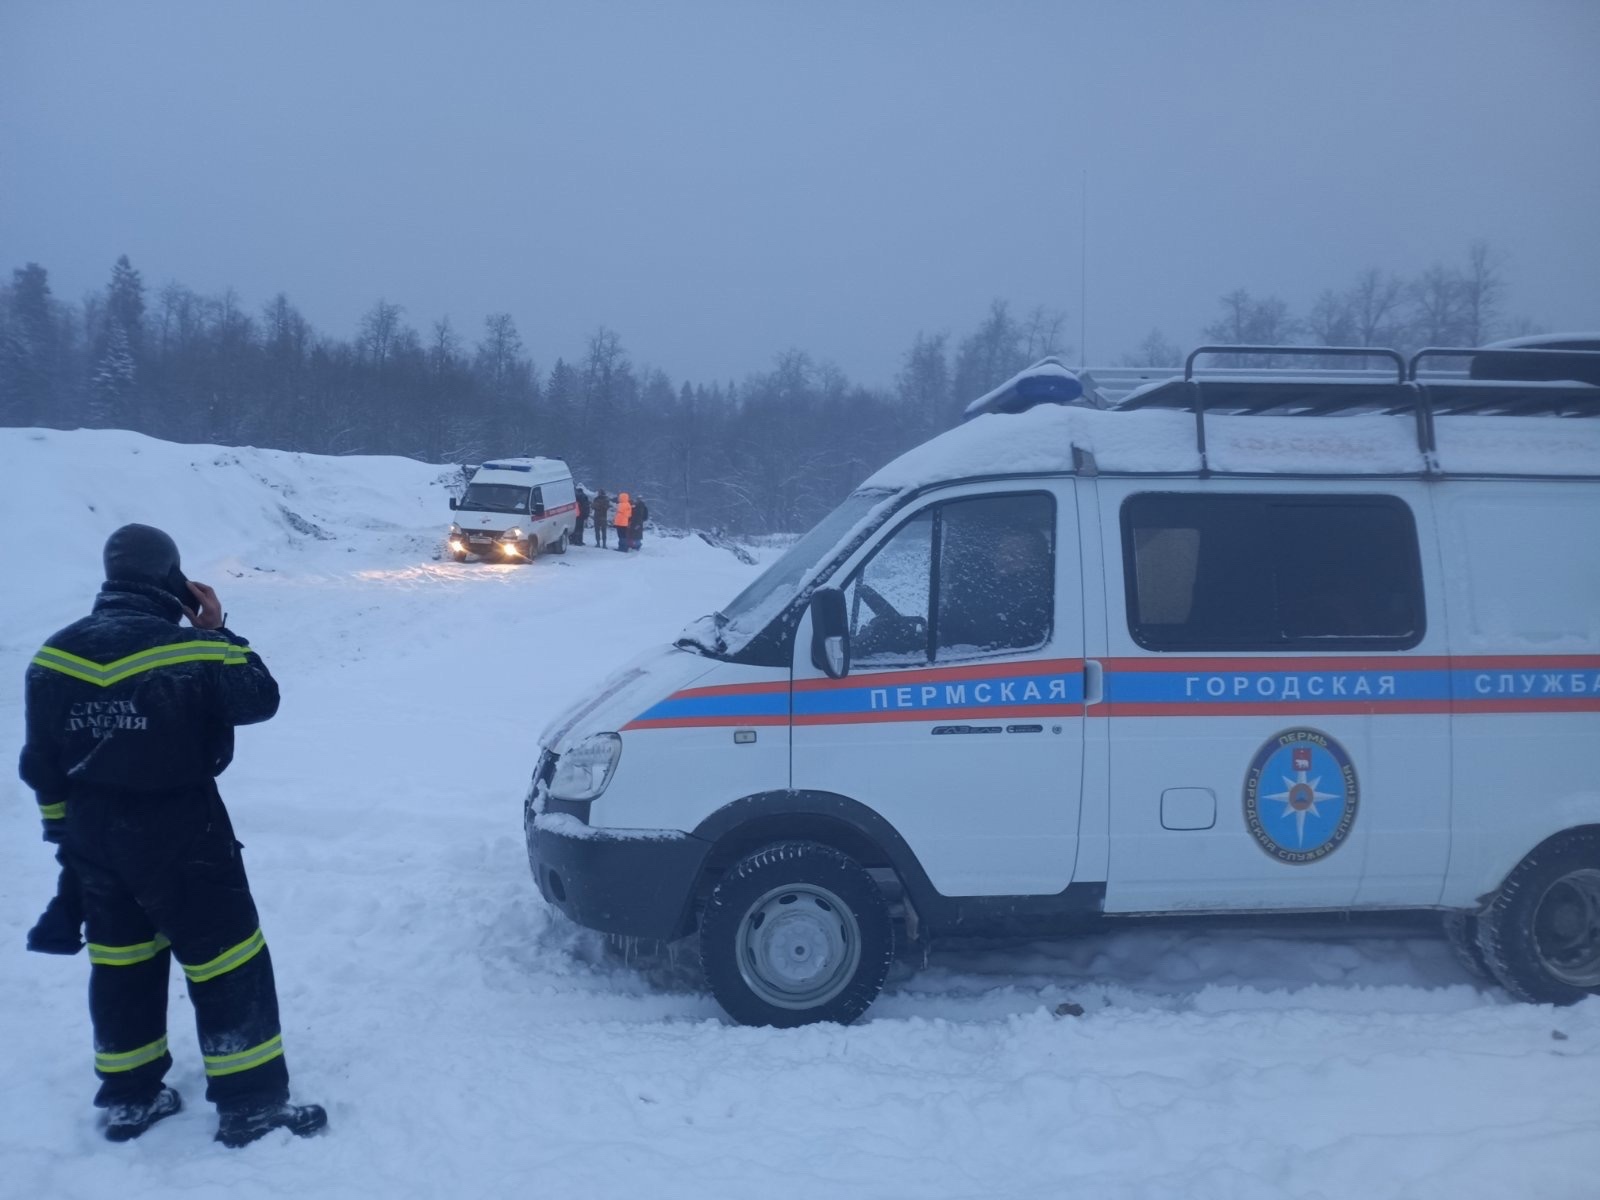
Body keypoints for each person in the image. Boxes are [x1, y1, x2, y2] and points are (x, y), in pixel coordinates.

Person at [18, 524, 326, 1148]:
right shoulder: (192, 651)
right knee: (226, 961)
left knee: (121, 961)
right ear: (172, 581)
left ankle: (132, 1099)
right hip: (182, 830)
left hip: (93, 837)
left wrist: (67, 845)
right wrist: (215, 628)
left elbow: (41, 764)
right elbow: (260, 698)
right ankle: (251, 1107)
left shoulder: (52, 656)